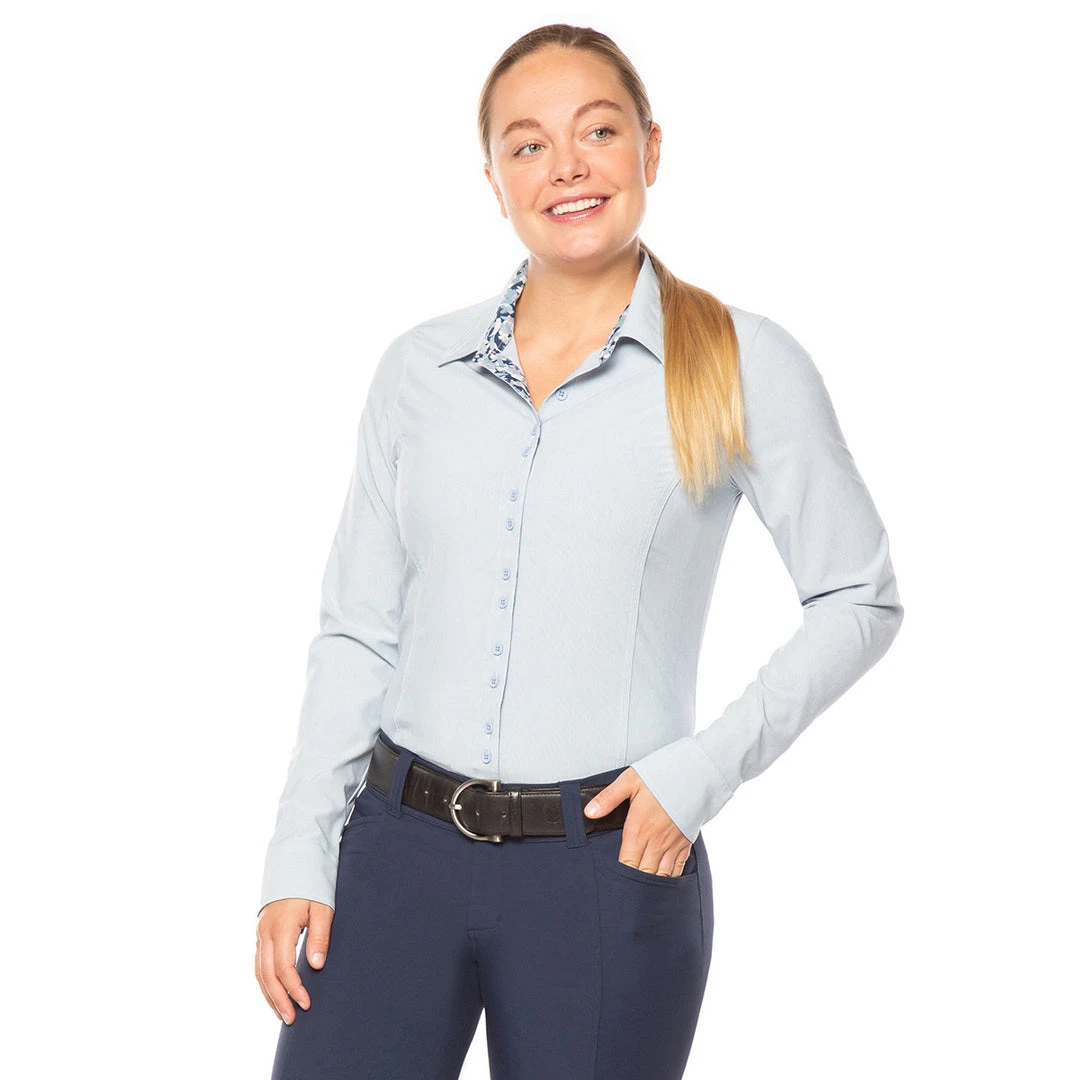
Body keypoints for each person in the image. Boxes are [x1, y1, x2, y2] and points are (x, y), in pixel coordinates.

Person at [254, 22, 904, 1080]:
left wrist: (700, 772)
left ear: (651, 148)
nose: (566, 166)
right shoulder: (418, 372)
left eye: (597, 131)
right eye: (528, 144)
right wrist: (299, 852)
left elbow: (859, 597)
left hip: (607, 868)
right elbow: (357, 633)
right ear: (494, 181)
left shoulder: (740, 363)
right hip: (392, 857)